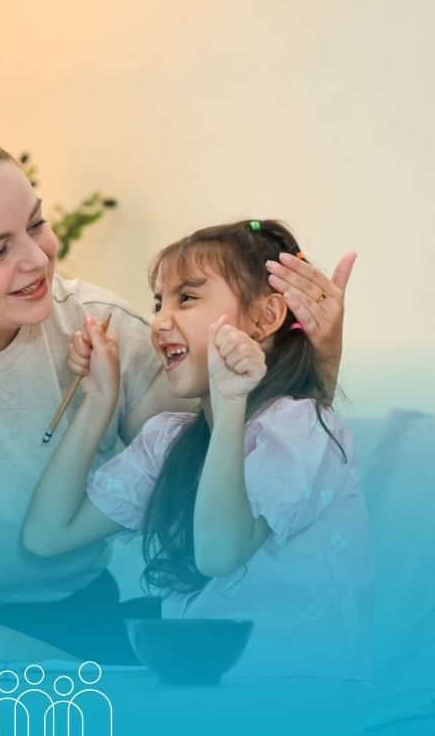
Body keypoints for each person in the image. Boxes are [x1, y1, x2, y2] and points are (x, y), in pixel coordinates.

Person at [0, 129, 353, 664]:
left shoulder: (98, 327)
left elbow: (228, 459)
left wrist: (316, 356)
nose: (35, 259)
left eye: (36, 224)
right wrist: (55, 675)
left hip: (75, 621)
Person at [22, 220, 372, 680]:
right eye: (158, 303)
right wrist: (98, 400)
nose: (160, 321)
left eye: (186, 298)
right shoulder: (168, 440)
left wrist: (229, 403)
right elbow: (47, 536)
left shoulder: (300, 426)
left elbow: (219, 554)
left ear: (265, 318)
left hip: (302, 704)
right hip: (208, 698)